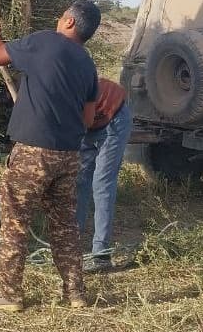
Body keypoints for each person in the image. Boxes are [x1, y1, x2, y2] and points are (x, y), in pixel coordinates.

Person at [0, 0, 102, 312]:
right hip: (68, 155)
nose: (58, 19)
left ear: (69, 22)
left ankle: (9, 295)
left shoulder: (46, 41)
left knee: (15, 222)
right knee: (65, 227)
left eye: (62, 15)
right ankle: (75, 294)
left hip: (34, 153)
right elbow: (88, 120)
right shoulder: (88, 65)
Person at [75, 77, 133, 271]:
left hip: (113, 116)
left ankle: (101, 254)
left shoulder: (69, 89)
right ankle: (71, 244)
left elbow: (83, 121)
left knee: (102, 183)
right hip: (89, 121)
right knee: (80, 181)